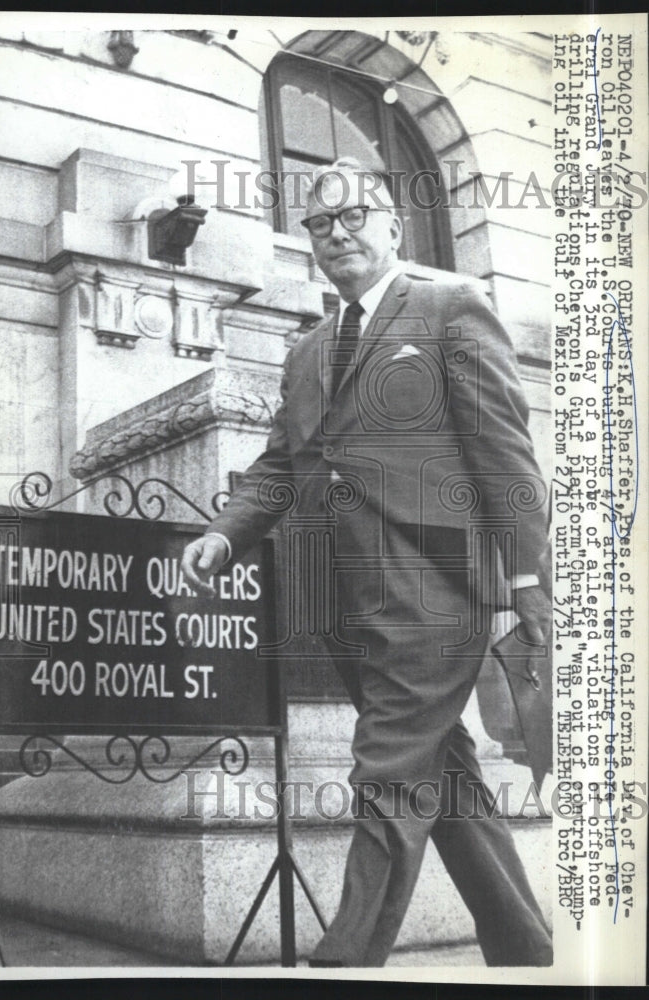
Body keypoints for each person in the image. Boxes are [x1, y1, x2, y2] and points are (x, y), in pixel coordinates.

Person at [181, 158, 553, 967]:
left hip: (433, 589)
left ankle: (344, 961)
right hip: (336, 596)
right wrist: (226, 533)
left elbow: (505, 454)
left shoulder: (451, 307)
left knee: (386, 766)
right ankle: (526, 950)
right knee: (438, 768)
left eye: (354, 216)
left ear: (391, 224)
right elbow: (281, 463)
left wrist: (527, 579)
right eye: (320, 223)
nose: (337, 234)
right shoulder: (307, 348)